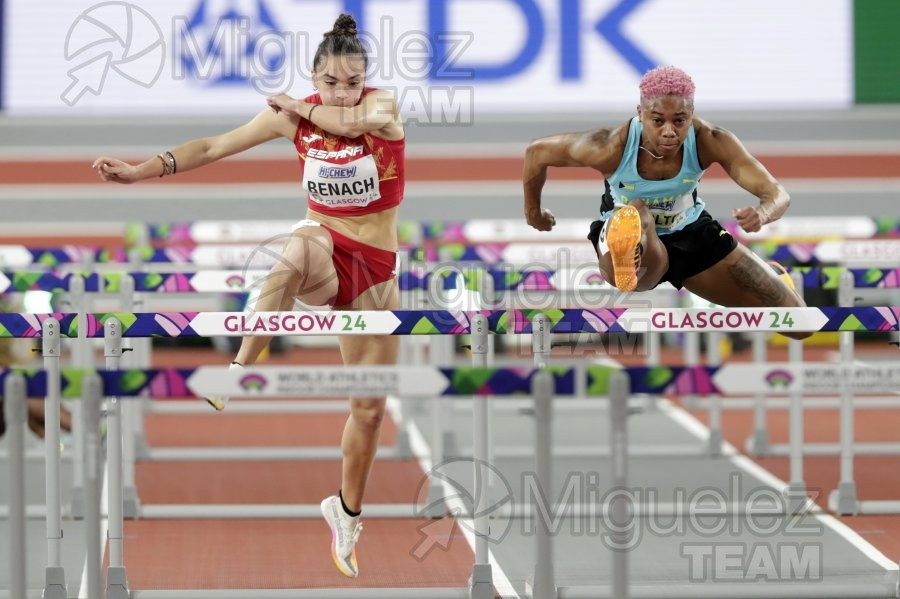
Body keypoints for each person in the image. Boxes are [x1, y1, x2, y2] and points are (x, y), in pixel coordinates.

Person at [92, 13, 404, 578]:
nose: (341, 92)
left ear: (365, 81)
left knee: (369, 409)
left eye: (351, 83)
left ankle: (346, 510)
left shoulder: (383, 112)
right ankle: (237, 369)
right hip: (324, 252)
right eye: (329, 83)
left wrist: (301, 107)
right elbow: (213, 146)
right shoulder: (291, 120)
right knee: (295, 248)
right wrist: (142, 171)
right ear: (316, 76)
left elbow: (362, 119)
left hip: (376, 268)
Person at [522, 65, 809, 339]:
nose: (669, 131)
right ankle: (631, 234)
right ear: (641, 114)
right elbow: (537, 152)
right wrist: (533, 212)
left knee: (800, 324)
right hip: (632, 241)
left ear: (692, 114)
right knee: (638, 218)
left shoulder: (710, 140)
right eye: (657, 121)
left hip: (694, 235)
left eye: (679, 121)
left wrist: (763, 212)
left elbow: (777, 193)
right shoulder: (609, 146)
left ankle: (772, 274)